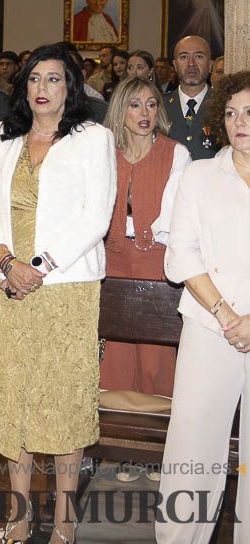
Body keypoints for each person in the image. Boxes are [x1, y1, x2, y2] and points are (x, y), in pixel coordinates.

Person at [0, 42, 116, 544]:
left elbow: (96, 217)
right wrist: (8, 262)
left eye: (53, 79)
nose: (42, 89)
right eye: (34, 79)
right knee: (14, 397)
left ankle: (64, 522)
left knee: (62, 400)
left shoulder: (93, 137)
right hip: (6, 283)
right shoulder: (1, 134)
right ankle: (18, 516)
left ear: (70, 86)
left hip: (65, 288)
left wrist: (39, 267)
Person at [155, 70, 250, 544]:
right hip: (210, 327)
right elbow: (181, 255)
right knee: (192, 448)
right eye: (231, 113)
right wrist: (227, 315)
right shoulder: (199, 174)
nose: (240, 122)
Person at [98, 77, 189, 398]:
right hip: (112, 259)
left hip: (157, 259)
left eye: (151, 104)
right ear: (121, 110)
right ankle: (112, 435)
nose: (144, 112)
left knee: (156, 355)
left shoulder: (176, 153)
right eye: (135, 105)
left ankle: (163, 436)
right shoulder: (104, 152)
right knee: (116, 353)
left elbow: (178, 215)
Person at [164, 35, 217, 161]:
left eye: (199, 56)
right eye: (184, 57)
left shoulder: (224, 105)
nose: (191, 64)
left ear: (210, 65)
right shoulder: (158, 105)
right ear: (175, 65)